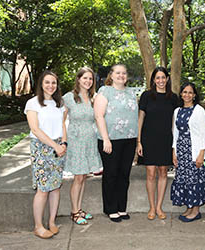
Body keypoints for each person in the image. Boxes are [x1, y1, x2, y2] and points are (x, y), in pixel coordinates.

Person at [24, 71, 67, 239]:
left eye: (54, 83)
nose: (51, 86)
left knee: (55, 187)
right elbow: (35, 129)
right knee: (43, 189)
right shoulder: (32, 103)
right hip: (41, 148)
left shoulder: (59, 103)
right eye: (47, 82)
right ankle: (38, 226)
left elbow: (63, 124)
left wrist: (64, 143)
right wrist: (55, 145)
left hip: (59, 148)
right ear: (41, 84)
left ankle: (51, 221)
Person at [94, 64, 138, 222]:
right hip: (110, 140)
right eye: (118, 73)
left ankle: (121, 207)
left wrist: (138, 140)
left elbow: (135, 117)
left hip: (129, 139)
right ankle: (110, 208)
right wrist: (106, 138)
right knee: (111, 174)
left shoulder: (131, 93)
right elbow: (99, 116)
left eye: (124, 73)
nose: (121, 75)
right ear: (111, 75)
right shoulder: (104, 91)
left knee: (124, 174)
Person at [137, 66, 178, 220]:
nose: (160, 81)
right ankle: (152, 207)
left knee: (162, 172)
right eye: (157, 78)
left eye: (163, 77)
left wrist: (175, 144)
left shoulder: (173, 98)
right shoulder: (146, 96)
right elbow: (140, 119)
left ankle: (159, 207)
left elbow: (175, 122)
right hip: (148, 139)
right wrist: (139, 141)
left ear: (167, 79)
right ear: (153, 80)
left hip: (166, 140)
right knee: (150, 173)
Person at [63, 67, 102, 225]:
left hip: (90, 141)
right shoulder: (69, 97)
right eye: (85, 78)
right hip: (76, 141)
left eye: (90, 79)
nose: (88, 81)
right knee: (78, 177)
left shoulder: (94, 98)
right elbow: (61, 121)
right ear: (78, 79)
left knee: (84, 177)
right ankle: (74, 212)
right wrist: (64, 141)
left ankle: (79, 209)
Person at [171, 83, 205, 222]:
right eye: (184, 92)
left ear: (194, 95)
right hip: (181, 150)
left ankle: (195, 211)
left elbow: (203, 134)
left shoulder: (199, 110)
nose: (187, 95)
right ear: (181, 94)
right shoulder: (177, 111)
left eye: (190, 92)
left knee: (194, 180)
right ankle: (189, 208)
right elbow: (175, 133)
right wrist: (174, 152)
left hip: (194, 150)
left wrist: (202, 154)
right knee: (184, 180)